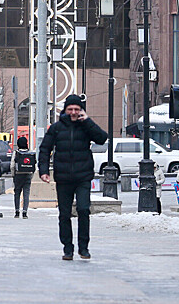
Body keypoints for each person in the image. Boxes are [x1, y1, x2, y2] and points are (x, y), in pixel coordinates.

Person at [38, 94, 108, 260]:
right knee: (64, 214)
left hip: (83, 177)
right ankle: (67, 248)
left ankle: (83, 247)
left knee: (83, 210)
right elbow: (44, 150)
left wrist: (88, 121)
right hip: (63, 178)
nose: (74, 112)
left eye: (77, 109)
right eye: (70, 109)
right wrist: (43, 170)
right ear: (65, 110)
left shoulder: (86, 126)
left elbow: (102, 138)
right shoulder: (56, 128)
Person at [11, 136, 34, 219]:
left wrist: (13, 175)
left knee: (17, 193)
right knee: (26, 193)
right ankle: (25, 212)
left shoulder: (16, 153)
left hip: (18, 174)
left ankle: (17, 211)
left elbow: (12, 165)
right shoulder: (30, 153)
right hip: (28, 174)